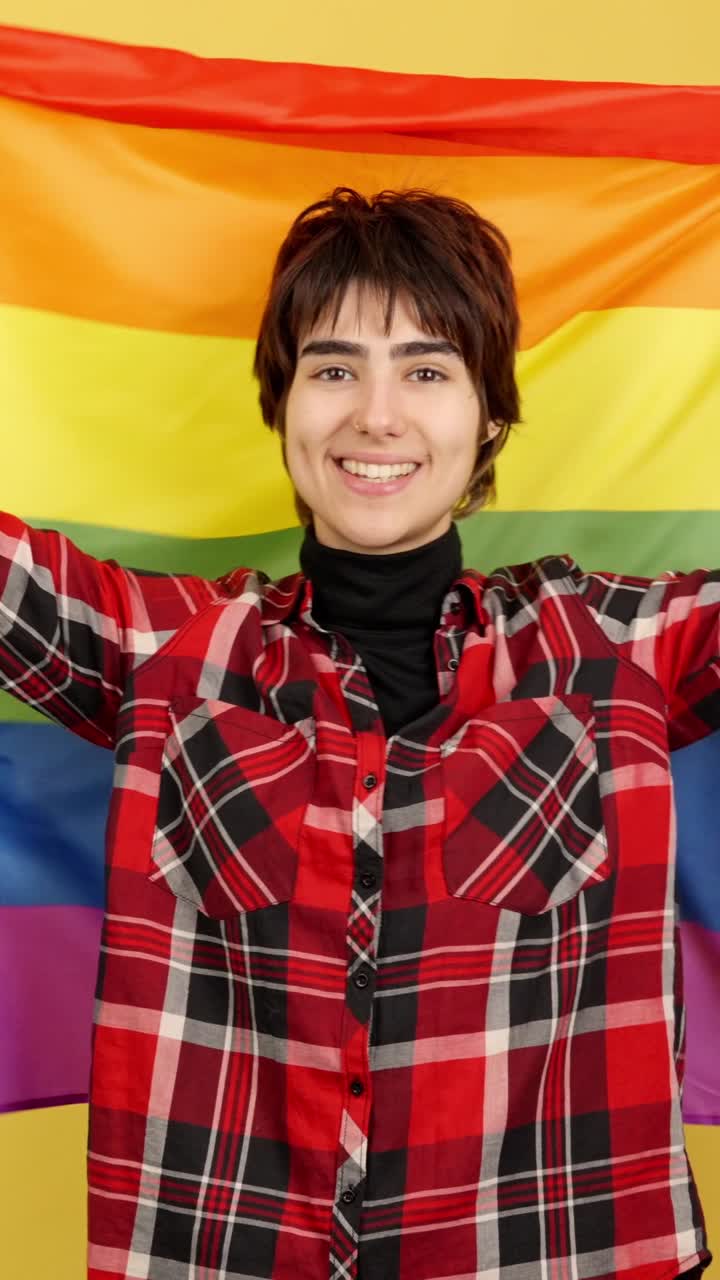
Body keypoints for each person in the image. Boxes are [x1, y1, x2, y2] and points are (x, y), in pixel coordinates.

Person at [0, 187, 715, 1280]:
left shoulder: (618, 645)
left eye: (427, 371)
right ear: (282, 404)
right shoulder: (174, 650)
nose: (375, 415)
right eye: (333, 368)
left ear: (488, 413)